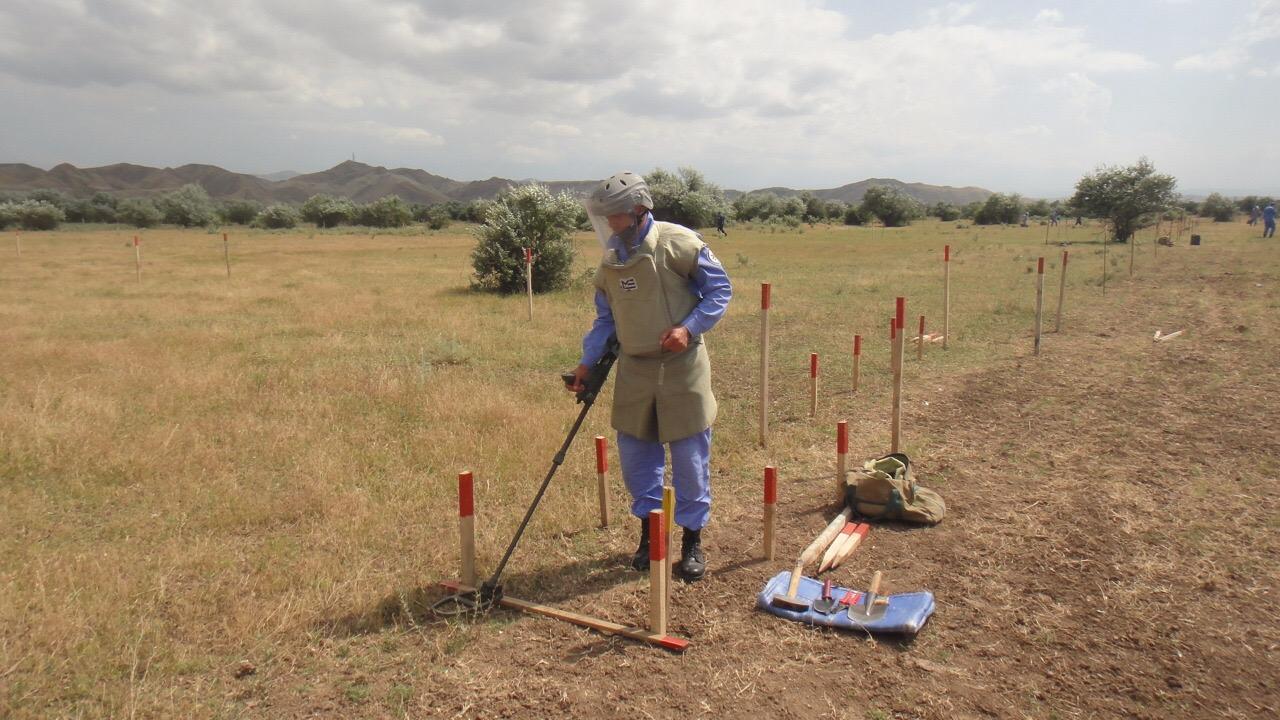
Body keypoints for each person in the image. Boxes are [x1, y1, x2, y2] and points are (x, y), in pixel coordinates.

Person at [570, 171, 732, 582]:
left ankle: (692, 539)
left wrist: (688, 328)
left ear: (638, 210)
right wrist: (587, 365)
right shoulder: (610, 263)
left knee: (689, 457)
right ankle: (649, 535)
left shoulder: (680, 243)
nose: (609, 225)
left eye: (616, 217)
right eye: (604, 218)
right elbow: (606, 321)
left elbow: (719, 291)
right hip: (635, 368)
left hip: (683, 366)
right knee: (637, 456)